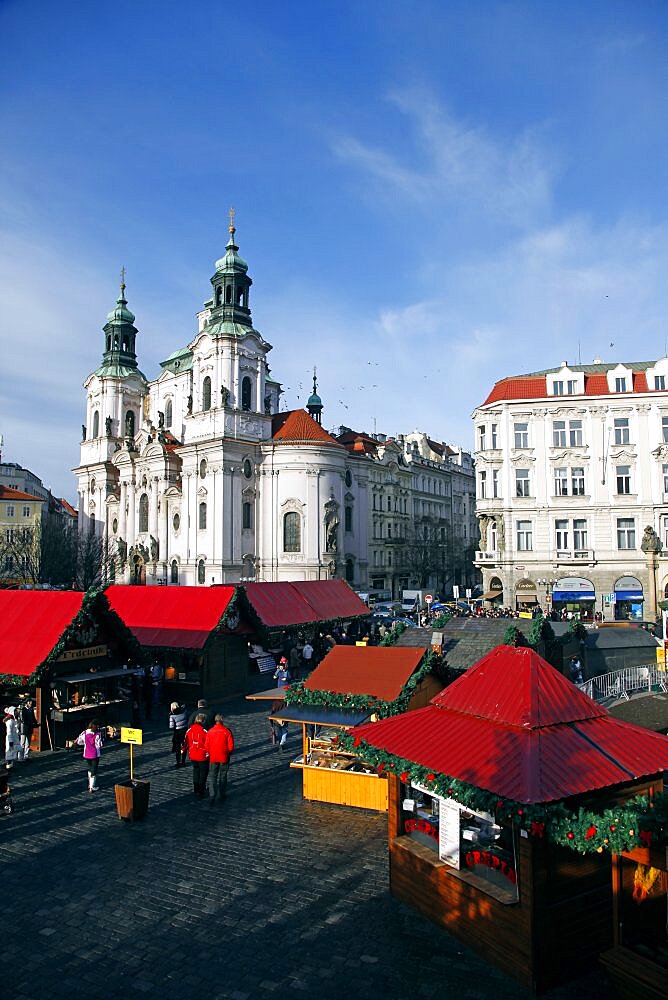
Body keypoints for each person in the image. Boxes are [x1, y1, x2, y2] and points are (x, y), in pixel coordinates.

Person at [204, 714, 234, 806]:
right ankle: (222, 793)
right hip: (224, 757)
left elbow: (206, 746)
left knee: (213, 776)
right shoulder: (227, 731)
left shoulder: (210, 731)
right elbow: (231, 747)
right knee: (223, 776)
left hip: (213, 757)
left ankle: (212, 795)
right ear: (222, 720)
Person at [184, 712, 209, 798]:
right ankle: (201, 790)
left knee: (196, 771)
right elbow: (208, 744)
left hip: (193, 754)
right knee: (203, 773)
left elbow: (186, 742)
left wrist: (183, 750)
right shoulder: (204, 731)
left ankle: (196, 788)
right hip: (202, 755)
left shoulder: (189, 730)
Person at [76, 719, 103, 793]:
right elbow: (99, 745)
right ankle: (92, 787)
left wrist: (85, 744)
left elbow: (79, 741)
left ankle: (90, 784)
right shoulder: (98, 734)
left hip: (87, 754)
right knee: (94, 770)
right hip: (95, 755)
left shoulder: (84, 732)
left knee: (90, 768)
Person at [168, 701, 188, 767]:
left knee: (177, 747)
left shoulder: (172, 716)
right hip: (184, 730)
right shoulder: (184, 712)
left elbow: (171, 726)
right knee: (184, 746)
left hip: (177, 732)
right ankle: (183, 762)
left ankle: (178, 762)